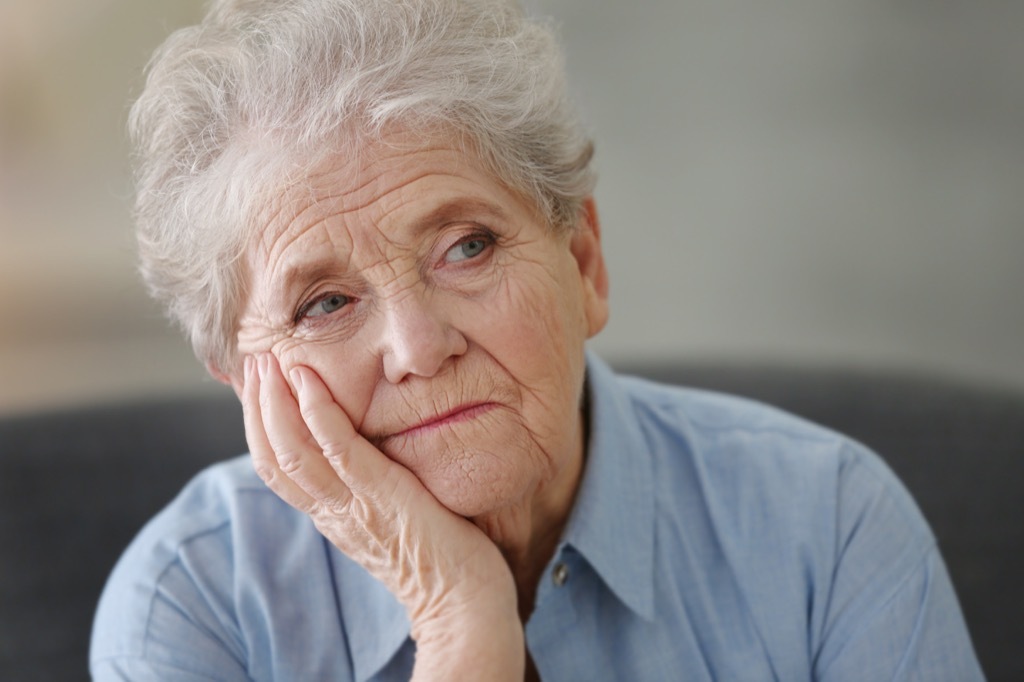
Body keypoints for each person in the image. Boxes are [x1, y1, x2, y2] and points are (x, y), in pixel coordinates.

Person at [90, 0, 983, 679]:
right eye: (324, 304)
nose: (418, 347)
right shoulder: (191, 605)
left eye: (466, 247)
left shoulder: (826, 526)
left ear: (584, 262)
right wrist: (458, 618)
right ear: (246, 385)